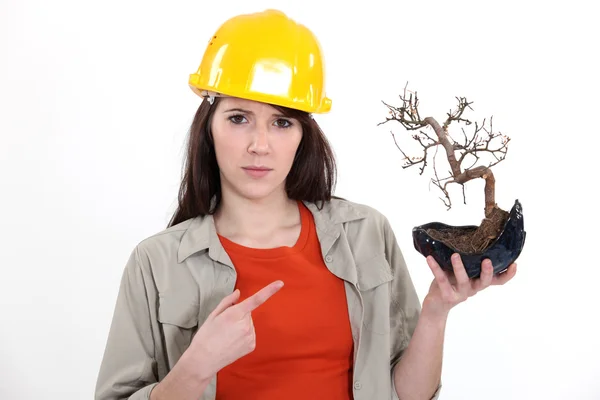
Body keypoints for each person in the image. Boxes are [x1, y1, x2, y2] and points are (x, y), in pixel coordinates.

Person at [94, 9, 517, 400]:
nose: (259, 145)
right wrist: (194, 369)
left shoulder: (365, 233)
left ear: (303, 136)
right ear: (209, 128)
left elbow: (405, 394)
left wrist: (436, 313)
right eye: (238, 118)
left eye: (281, 122)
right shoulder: (156, 262)